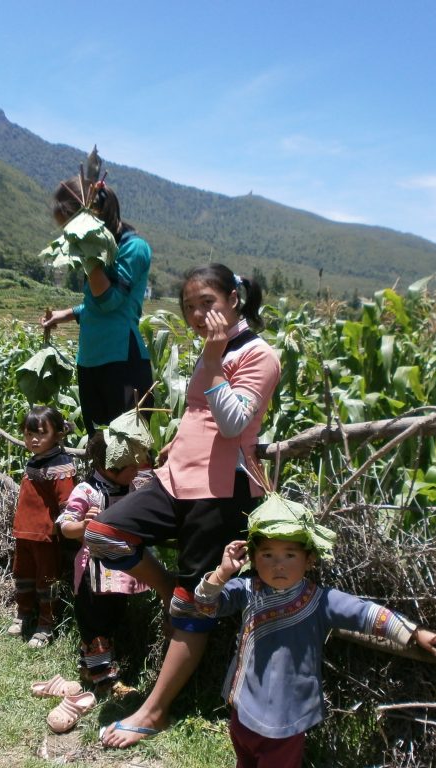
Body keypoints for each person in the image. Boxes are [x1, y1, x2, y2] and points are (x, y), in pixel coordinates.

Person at [85, 263, 281, 747]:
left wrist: (213, 356)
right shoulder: (216, 349)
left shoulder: (259, 354)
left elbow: (234, 425)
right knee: (103, 533)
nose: (197, 314)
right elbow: (198, 411)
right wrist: (175, 441)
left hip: (222, 490)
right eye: (189, 306)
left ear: (234, 299)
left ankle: (154, 711)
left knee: (195, 607)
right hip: (177, 477)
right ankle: (175, 591)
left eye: (207, 303)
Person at [194, 498, 436, 768]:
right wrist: (222, 574)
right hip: (243, 708)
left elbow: (366, 613)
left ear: (309, 560)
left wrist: (414, 632)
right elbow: (205, 606)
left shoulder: (320, 601)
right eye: (267, 554)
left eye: (289, 555)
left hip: (287, 720)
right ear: (254, 559)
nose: (278, 564)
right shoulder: (246, 590)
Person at [40, 172, 153, 435]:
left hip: (122, 361)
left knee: (126, 447)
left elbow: (109, 302)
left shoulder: (133, 248)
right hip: (90, 360)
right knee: (99, 444)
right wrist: (63, 315)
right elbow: (93, 306)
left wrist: (88, 257)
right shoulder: (99, 251)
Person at [56, 419, 150, 692]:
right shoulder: (87, 492)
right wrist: (84, 526)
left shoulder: (131, 486)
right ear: (108, 465)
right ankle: (104, 679)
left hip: (120, 568)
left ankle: (90, 668)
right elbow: (65, 526)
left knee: (112, 617)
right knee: (94, 620)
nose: (136, 469)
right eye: (131, 466)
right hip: (92, 570)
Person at [9, 405, 76, 648]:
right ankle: (24, 613)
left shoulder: (61, 467)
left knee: (46, 580)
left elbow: (68, 503)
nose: (33, 439)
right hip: (24, 531)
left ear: (58, 435)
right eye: (28, 434)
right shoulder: (35, 461)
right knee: (23, 575)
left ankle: (46, 623)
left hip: (46, 535)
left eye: (40, 434)